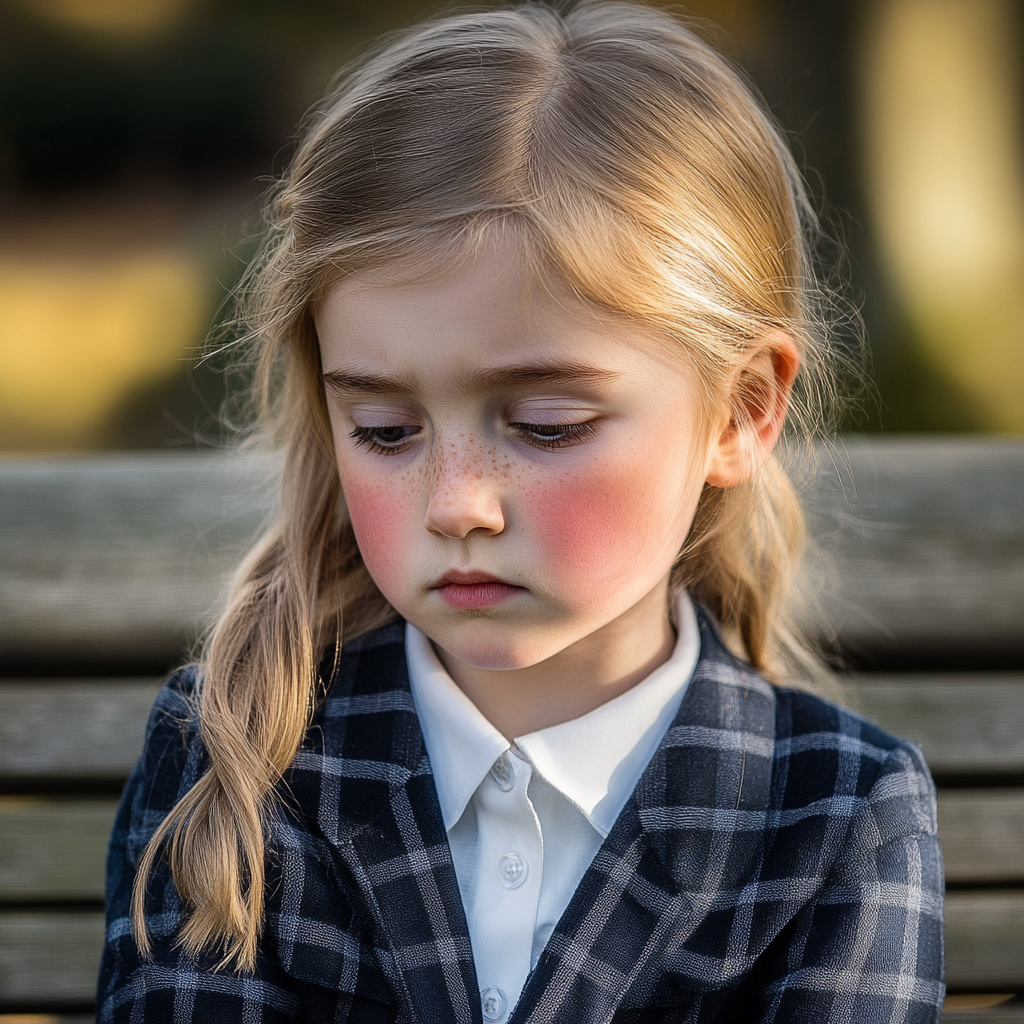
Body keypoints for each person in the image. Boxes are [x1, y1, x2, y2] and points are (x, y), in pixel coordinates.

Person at [97, 3, 944, 1021]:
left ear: (742, 408)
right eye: (384, 428)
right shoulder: (231, 764)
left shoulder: (840, 818)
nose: (457, 505)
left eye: (545, 424)